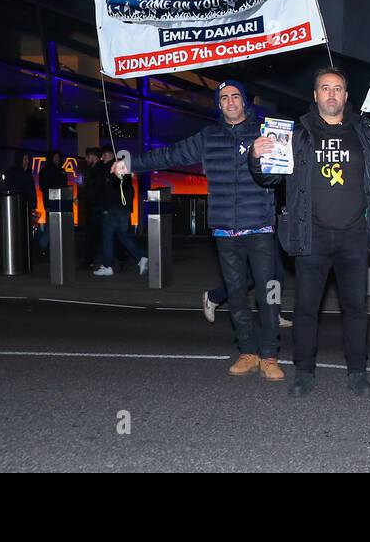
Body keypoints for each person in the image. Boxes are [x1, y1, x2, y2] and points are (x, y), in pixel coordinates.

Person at [250, 66, 370, 398]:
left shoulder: (365, 130)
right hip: (311, 235)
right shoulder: (296, 134)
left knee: (356, 308)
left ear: (346, 96)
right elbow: (270, 178)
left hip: (353, 235)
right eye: (325, 88)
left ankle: (358, 372)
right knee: (306, 308)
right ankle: (304, 372)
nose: (332, 94)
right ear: (315, 95)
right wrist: (256, 158)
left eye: (338, 89)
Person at [118, 81, 282, 380]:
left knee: (268, 293)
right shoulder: (209, 136)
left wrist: (258, 156)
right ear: (218, 105)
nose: (231, 102)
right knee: (234, 293)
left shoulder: (265, 133)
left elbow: (276, 181)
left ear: (245, 102)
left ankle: (269, 355)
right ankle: (248, 351)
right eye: (224, 99)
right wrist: (132, 164)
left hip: (260, 226)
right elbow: (171, 154)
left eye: (235, 96)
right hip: (224, 229)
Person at [97, 149, 148, 277]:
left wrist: (106, 207)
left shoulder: (110, 169)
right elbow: (130, 190)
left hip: (114, 208)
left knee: (107, 236)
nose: (103, 157)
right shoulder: (123, 169)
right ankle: (141, 257)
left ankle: (108, 266)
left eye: (105, 154)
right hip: (123, 208)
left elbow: (107, 192)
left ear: (112, 155)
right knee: (122, 235)